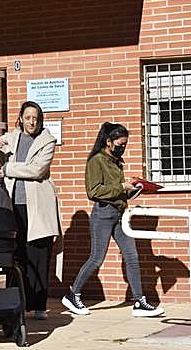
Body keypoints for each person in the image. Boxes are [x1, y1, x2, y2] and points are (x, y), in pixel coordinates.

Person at [61, 122, 164, 317]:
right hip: (103, 215)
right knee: (96, 258)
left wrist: (135, 187)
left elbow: (116, 188)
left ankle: (139, 301)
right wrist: (122, 187)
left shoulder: (116, 161)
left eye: (125, 144)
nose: (122, 147)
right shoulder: (96, 161)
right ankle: (73, 294)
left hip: (119, 214)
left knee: (132, 257)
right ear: (108, 141)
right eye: (120, 144)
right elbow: (93, 191)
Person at [0, 101, 60, 320]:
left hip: (38, 206)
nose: (32, 122)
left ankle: (39, 304)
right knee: (16, 255)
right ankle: (16, 302)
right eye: (28, 117)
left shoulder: (47, 141)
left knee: (38, 254)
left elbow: (37, 170)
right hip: (14, 205)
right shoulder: (12, 137)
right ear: (20, 118)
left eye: (36, 118)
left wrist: (8, 169)